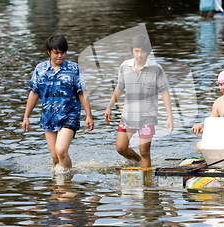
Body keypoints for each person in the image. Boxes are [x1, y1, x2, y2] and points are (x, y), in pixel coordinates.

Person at [22, 35, 94, 172]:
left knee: (61, 151)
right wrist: (26, 117)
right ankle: (58, 188)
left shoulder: (73, 69)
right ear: (49, 52)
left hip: (69, 115)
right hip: (48, 116)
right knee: (55, 157)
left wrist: (88, 115)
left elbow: (81, 92)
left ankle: (67, 183)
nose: (60, 56)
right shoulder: (40, 69)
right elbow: (34, 93)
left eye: (62, 52)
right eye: (56, 53)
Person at [105, 34, 174, 167]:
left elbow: (165, 92)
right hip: (127, 116)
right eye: (136, 51)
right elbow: (119, 88)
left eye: (142, 51)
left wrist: (170, 117)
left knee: (145, 152)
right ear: (132, 51)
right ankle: (138, 161)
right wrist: (109, 107)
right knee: (120, 148)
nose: (139, 54)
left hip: (146, 118)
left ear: (147, 51)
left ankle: (146, 184)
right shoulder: (125, 66)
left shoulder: (156, 69)